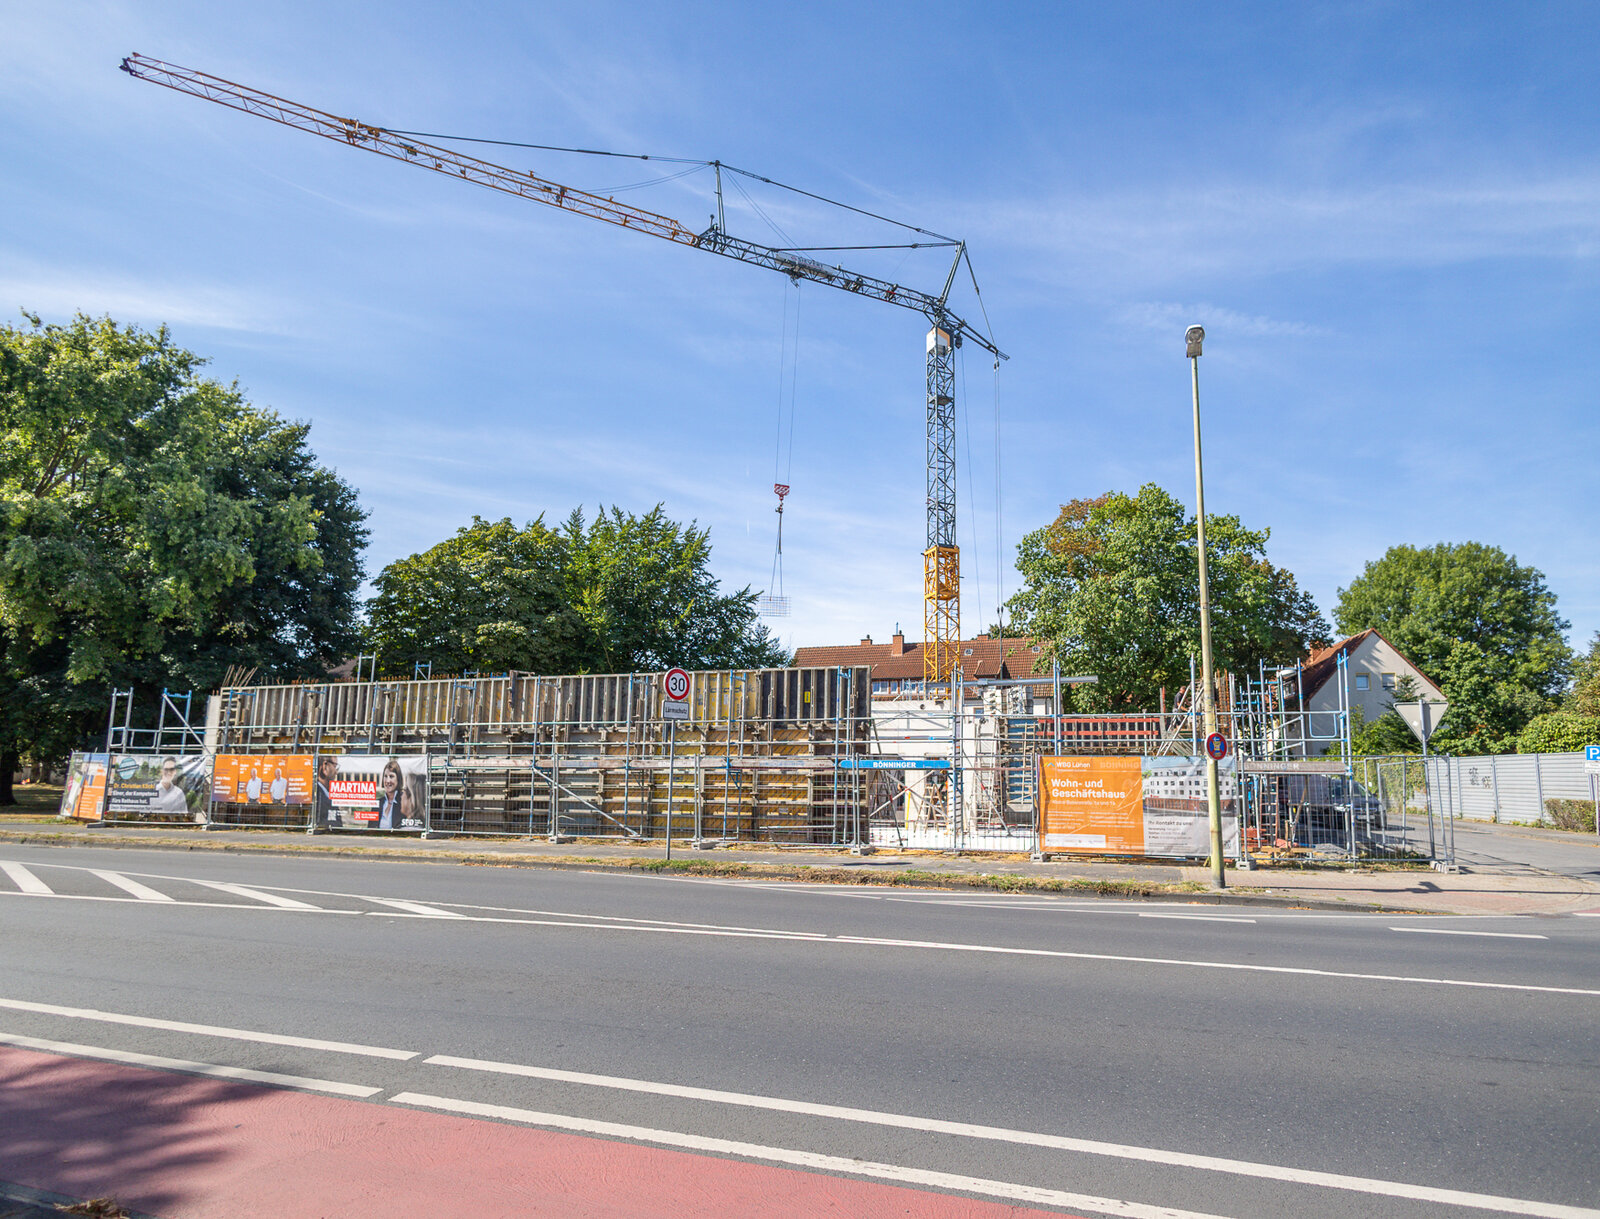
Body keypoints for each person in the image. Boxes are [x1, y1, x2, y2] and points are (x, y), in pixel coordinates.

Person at [376, 759, 404, 830]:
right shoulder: (377, 804)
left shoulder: (404, 803)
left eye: (391, 776)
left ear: (398, 779)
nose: (388, 781)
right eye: (385, 776)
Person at [312, 756, 338, 830]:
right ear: (325, 768)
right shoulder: (320, 796)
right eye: (335, 766)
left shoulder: (324, 794)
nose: (336, 772)